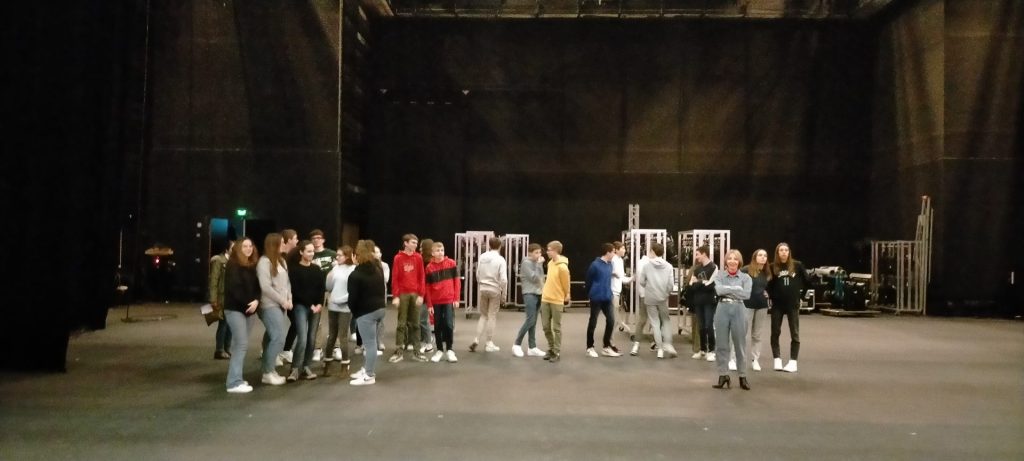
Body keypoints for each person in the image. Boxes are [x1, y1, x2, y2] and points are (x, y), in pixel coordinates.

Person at [223, 237, 260, 393]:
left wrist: (257, 301)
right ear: (238, 248)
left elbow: (258, 287)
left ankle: (237, 377)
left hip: (250, 310)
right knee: (241, 344)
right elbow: (234, 289)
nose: (248, 248)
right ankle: (233, 382)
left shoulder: (252, 265)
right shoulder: (233, 265)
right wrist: (249, 303)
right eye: (245, 246)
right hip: (235, 309)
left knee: (240, 345)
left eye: (250, 246)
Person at [711, 249, 753, 390]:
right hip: (722, 309)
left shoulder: (746, 278)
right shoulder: (719, 276)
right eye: (730, 258)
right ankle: (723, 375)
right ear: (726, 261)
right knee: (721, 344)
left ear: (739, 261)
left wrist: (727, 289)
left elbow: (746, 295)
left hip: (739, 310)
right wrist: (736, 289)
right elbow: (719, 291)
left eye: (735, 259)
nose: (732, 261)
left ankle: (742, 376)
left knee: (740, 344)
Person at [348, 240, 387, 386]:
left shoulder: (355, 275)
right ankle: (366, 369)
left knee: (370, 345)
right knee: (370, 343)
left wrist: (356, 313)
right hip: (380, 309)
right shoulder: (378, 268)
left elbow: (352, 299)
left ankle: (369, 375)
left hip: (366, 313)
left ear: (356, 256)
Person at [286, 240, 325, 382]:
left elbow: (321, 288)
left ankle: (306, 366)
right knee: (302, 338)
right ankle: (295, 368)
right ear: (301, 252)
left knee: (311, 338)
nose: (311, 253)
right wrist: (310, 305)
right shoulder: (294, 270)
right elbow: (295, 291)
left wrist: (319, 303)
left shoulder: (316, 269)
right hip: (300, 306)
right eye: (308, 251)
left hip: (316, 307)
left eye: (312, 251)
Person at [256, 233, 292, 386]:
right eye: (282, 242)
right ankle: (268, 372)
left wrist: (289, 298)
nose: (285, 245)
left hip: (282, 305)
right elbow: (265, 287)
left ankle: (268, 369)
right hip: (269, 305)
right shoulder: (264, 262)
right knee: (278, 337)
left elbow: (287, 283)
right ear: (274, 244)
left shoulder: (282, 261)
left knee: (271, 337)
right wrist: (283, 301)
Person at [768, 242, 810, 373]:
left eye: (786, 250)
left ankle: (793, 362)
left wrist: (801, 297)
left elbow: (808, 282)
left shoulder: (797, 265)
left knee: (795, 333)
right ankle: (777, 359)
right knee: (775, 332)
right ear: (777, 252)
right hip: (777, 305)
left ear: (789, 252)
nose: (784, 252)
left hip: (793, 304)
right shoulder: (772, 267)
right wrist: (771, 296)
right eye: (781, 250)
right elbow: (768, 285)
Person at [729, 249, 771, 372]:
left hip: (762, 306)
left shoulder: (766, 272)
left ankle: (755, 360)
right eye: (760, 255)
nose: (763, 257)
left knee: (757, 335)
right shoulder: (746, 270)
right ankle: (733, 359)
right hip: (747, 305)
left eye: (765, 255)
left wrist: (767, 293)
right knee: (741, 333)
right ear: (755, 257)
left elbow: (768, 287)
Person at [389, 234, 427, 363]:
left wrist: (421, 295)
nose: (415, 245)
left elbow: (421, 277)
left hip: (415, 294)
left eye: (416, 243)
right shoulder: (398, 258)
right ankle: (399, 350)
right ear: (405, 243)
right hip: (403, 294)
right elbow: (395, 277)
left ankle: (417, 351)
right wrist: (395, 296)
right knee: (401, 324)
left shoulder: (418, 257)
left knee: (415, 324)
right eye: (413, 242)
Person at [638, 241, 677, 358]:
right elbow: (671, 285)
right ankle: (668, 344)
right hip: (663, 297)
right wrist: (666, 293)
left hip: (650, 297)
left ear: (653, 252)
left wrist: (649, 287)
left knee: (655, 323)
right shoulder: (669, 266)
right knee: (666, 321)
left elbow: (641, 281)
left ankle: (659, 349)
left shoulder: (646, 266)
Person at [424, 241, 461, 363]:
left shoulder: (451, 263)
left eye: (442, 250)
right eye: (438, 251)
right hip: (436, 302)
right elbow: (427, 287)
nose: (440, 253)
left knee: (449, 325)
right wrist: (429, 304)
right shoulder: (429, 268)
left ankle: (450, 349)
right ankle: (439, 350)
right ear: (432, 253)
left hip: (449, 300)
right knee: (438, 325)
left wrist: (456, 298)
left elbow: (457, 282)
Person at [323, 246, 356, 376]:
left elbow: (353, 291)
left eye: (340, 255)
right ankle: (327, 363)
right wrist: (330, 273)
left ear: (347, 256)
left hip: (345, 307)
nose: (337, 257)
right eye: (337, 255)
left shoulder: (353, 269)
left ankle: (345, 364)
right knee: (331, 335)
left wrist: (340, 300)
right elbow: (328, 286)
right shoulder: (335, 269)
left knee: (342, 336)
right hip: (333, 306)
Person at [470, 237, 507, 353]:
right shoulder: (501, 259)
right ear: (500, 246)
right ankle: (489, 343)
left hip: (483, 288)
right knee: (492, 316)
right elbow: (504, 280)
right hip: (495, 289)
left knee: (483, 316)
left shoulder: (482, 257)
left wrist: (481, 284)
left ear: (489, 245)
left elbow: (477, 274)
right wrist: (504, 295)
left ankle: (476, 339)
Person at [584, 243, 620, 358]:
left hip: (607, 297)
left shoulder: (610, 265)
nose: (614, 254)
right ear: (608, 252)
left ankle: (606, 346)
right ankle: (590, 347)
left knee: (611, 321)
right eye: (613, 252)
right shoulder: (594, 265)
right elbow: (588, 281)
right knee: (593, 322)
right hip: (596, 297)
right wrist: (590, 294)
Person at [512, 244, 546, 358]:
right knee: (530, 320)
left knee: (534, 322)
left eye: (540, 252)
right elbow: (534, 278)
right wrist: (539, 265)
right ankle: (516, 344)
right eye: (536, 252)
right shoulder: (526, 263)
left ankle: (532, 347)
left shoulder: (537, 263)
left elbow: (541, 278)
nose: (539, 255)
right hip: (529, 293)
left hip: (538, 293)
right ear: (530, 253)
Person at [309, 229, 336, 363]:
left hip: (331, 290)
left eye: (319, 238)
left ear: (323, 240)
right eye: (314, 238)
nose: (316, 240)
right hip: (316, 290)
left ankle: (336, 347)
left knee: (335, 319)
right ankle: (317, 348)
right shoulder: (309, 254)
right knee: (316, 320)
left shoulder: (331, 254)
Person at [540, 241, 570, 363]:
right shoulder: (550, 263)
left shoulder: (563, 267)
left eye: (549, 250)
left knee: (556, 327)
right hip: (545, 298)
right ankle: (551, 348)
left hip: (557, 300)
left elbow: (566, 283)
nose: (547, 252)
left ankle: (556, 351)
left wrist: (567, 294)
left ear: (556, 251)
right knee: (545, 326)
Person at [688, 246, 718, 362]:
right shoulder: (697, 269)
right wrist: (702, 283)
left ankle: (712, 350)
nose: (696, 257)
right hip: (698, 301)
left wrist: (699, 282)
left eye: (697, 254)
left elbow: (711, 285)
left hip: (709, 301)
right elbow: (691, 286)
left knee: (709, 325)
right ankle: (702, 350)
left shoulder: (713, 267)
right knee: (701, 326)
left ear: (704, 254)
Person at [209, 240, 234, 360]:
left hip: (232, 297)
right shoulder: (219, 261)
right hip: (222, 297)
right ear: (227, 249)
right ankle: (219, 350)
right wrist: (213, 299)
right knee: (223, 323)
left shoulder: (234, 261)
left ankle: (227, 348)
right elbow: (214, 280)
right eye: (233, 248)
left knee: (231, 324)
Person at [279, 228, 299, 365]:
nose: (297, 241)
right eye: (295, 238)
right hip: (279, 296)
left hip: (291, 295)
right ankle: (268, 350)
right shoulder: (280, 257)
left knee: (296, 323)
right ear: (289, 240)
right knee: (275, 326)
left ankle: (286, 350)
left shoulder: (294, 255)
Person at [629, 250, 652, 356]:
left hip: (644, 295)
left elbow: (641, 281)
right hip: (653, 295)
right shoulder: (650, 263)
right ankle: (657, 343)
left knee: (642, 320)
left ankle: (636, 344)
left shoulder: (640, 263)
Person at [610, 241, 632, 348]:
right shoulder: (613, 260)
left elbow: (622, 278)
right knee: (613, 319)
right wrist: (613, 274)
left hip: (617, 292)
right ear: (616, 250)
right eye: (622, 248)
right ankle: (609, 343)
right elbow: (608, 272)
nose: (624, 250)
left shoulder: (620, 260)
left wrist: (632, 278)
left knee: (614, 319)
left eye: (624, 248)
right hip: (612, 292)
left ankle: (609, 342)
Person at [417, 239, 436, 355]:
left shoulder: (427, 263)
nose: (419, 249)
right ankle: (425, 341)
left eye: (421, 246)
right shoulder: (428, 262)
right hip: (426, 294)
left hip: (425, 294)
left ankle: (428, 343)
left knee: (423, 320)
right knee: (423, 320)